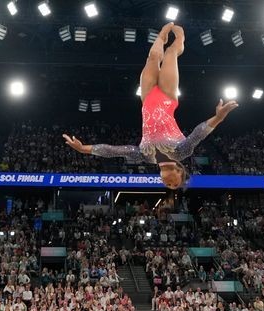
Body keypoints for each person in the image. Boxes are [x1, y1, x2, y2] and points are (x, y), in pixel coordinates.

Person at [63, 23, 238, 190]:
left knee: (153, 57)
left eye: (167, 185)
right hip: (168, 98)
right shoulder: (181, 153)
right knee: (170, 53)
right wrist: (219, 118)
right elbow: (197, 134)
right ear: (180, 172)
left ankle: (161, 36)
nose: (169, 184)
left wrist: (84, 149)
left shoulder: (145, 156)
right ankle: (180, 41)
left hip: (147, 98)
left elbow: (114, 151)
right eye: (174, 184)